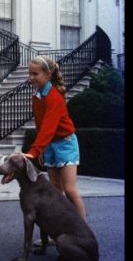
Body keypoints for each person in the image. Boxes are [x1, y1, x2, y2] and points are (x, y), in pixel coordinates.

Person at [23, 56, 87, 245]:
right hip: (50, 145)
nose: (31, 77)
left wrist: (33, 151)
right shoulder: (37, 95)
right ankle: (55, 232)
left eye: (35, 74)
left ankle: (83, 232)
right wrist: (41, 150)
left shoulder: (54, 97)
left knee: (69, 189)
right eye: (30, 73)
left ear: (48, 74)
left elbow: (50, 126)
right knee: (56, 192)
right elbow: (41, 125)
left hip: (66, 144)